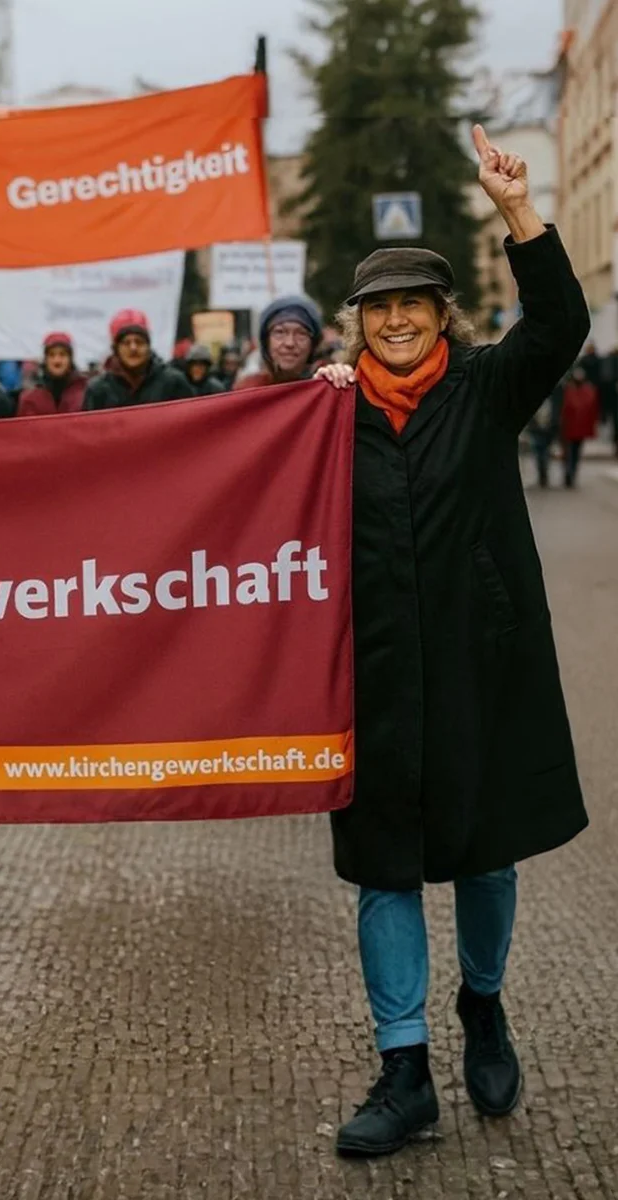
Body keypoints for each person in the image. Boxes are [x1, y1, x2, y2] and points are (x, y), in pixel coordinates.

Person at [311, 127, 589, 1158]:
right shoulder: (324, 420)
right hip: (371, 672)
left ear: (441, 315)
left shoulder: (485, 387)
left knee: (484, 851)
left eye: (412, 304)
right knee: (383, 866)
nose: (394, 320)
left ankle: (484, 1006)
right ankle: (404, 1070)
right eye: (377, 306)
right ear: (360, 323)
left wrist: (518, 210)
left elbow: (558, 322)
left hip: (484, 661)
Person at [83, 310, 193, 410]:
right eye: (126, 343)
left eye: (139, 342)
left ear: (148, 346)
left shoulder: (174, 382)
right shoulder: (98, 389)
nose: (133, 348)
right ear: (116, 349)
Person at [234, 295, 324, 390]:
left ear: (313, 344)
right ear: (266, 341)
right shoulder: (248, 390)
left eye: (301, 334)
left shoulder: (326, 386)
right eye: (280, 332)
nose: (290, 343)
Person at [17, 332, 88, 416]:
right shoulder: (30, 397)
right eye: (51, 355)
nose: (57, 361)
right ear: (45, 359)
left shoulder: (85, 392)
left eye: (62, 355)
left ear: (70, 358)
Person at [559, 363, 599, 487]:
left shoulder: (571, 391)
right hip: (572, 428)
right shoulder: (586, 391)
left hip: (571, 429)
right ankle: (570, 472)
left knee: (572, 452)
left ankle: (570, 472)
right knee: (572, 452)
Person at [525, 379, 562, 489]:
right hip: (537, 430)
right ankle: (542, 474)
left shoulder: (553, 400)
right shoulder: (534, 399)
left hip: (547, 432)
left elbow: (555, 415)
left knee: (543, 454)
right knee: (539, 454)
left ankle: (543, 474)